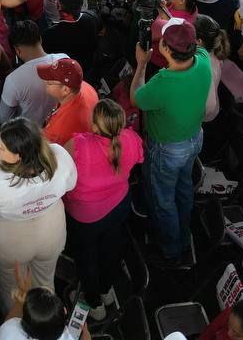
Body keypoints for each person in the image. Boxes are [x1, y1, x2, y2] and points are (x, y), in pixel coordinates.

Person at [0, 116, 77, 315]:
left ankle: (14, 323)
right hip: (51, 230)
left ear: (18, 155)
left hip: (12, 240)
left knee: (13, 288)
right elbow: (71, 183)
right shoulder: (59, 157)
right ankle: (46, 318)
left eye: (2, 147)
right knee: (45, 280)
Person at [133, 18, 211, 267]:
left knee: (162, 200)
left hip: (167, 149)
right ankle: (183, 234)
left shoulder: (162, 83)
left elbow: (136, 98)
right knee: (184, 187)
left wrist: (141, 66)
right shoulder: (203, 61)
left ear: (164, 48)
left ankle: (170, 250)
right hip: (193, 140)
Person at [63, 98, 143, 323]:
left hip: (86, 216)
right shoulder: (130, 138)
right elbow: (136, 159)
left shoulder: (78, 145)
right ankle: (106, 290)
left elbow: (62, 174)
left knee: (86, 256)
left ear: (96, 126)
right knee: (111, 248)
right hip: (118, 206)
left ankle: (94, 303)